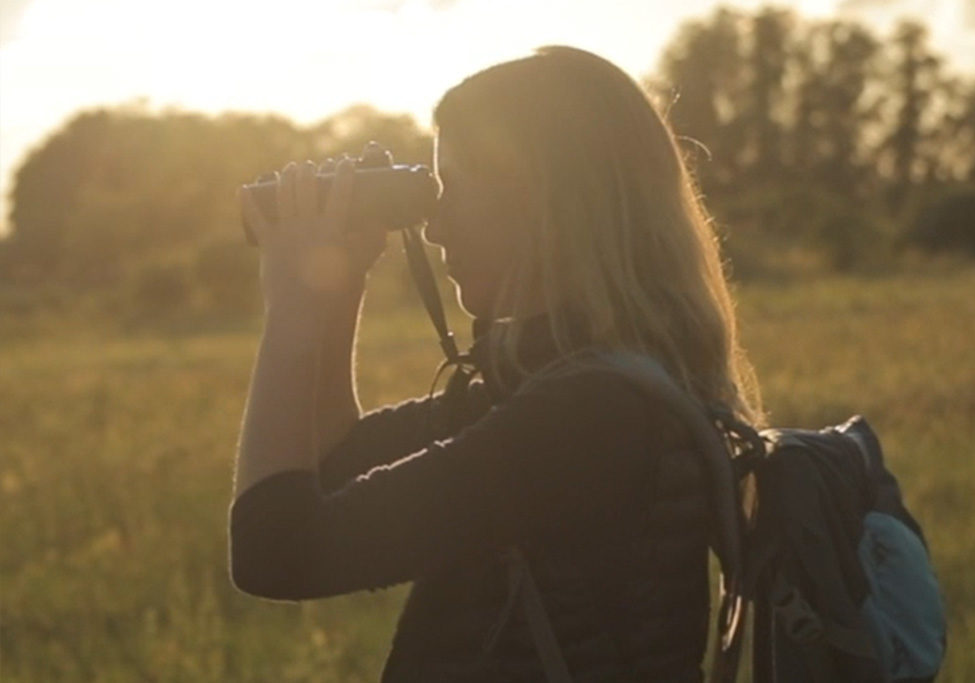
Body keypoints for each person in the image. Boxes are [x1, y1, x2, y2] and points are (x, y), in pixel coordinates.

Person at [229, 45, 762, 682]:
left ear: (549, 202)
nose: (433, 227)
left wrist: (292, 304)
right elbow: (335, 463)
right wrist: (335, 287)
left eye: (453, 187)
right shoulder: (575, 383)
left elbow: (277, 552)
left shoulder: (590, 416)